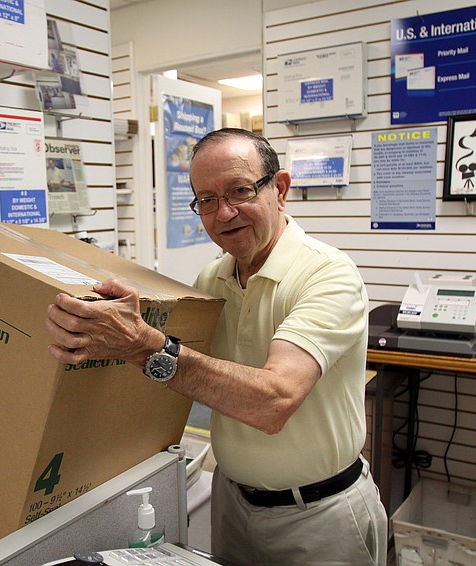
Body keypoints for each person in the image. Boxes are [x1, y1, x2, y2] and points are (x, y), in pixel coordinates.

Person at [45, 128, 388, 565]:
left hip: (319, 517)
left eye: (240, 191)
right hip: (232, 505)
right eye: (206, 200)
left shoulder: (328, 275)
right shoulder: (211, 282)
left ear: (279, 189)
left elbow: (274, 401)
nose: (224, 213)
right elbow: (176, 376)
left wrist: (142, 343)